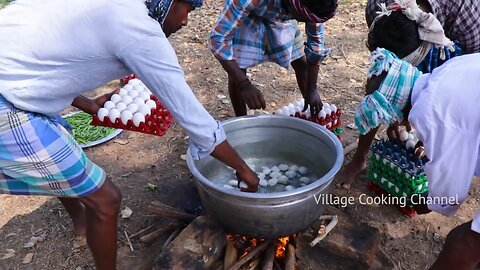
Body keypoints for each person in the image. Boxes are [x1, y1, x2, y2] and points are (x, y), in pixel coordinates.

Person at [0, 0, 259, 269]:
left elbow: (39, 58)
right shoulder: (138, 31)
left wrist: (87, 104)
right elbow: (196, 122)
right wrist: (244, 170)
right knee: (106, 199)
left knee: (61, 148)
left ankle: (81, 221)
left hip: (10, 78)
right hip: (5, 101)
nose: (184, 21)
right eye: (187, 10)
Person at [354, 47, 480, 269]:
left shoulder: (429, 113)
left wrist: (427, 202)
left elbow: (450, 187)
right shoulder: (445, 70)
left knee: (463, 243)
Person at [335, 0, 480, 188]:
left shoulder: (468, 14)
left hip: (450, 48)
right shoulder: (377, 7)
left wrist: (434, 138)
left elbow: (465, 87)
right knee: (380, 84)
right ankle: (359, 159)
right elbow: (381, 82)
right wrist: (394, 110)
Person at [209, 0, 337, 117]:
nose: (305, 21)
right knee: (238, 67)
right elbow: (219, 39)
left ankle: (310, 113)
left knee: (301, 63)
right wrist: (244, 84)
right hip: (247, 16)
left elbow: (315, 46)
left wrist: (312, 88)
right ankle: (241, 120)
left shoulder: (314, 6)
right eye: (303, 18)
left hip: (283, 15)